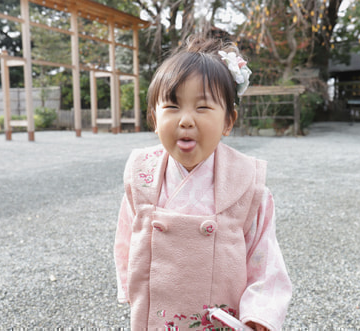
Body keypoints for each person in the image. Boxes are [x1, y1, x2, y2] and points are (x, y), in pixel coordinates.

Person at [114, 36, 291, 331]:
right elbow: (126, 238)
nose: (185, 120)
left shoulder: (247, 185)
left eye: (203, 108)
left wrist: (259, 315)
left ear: (228, 121)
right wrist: (132, 288)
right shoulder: (141, 178)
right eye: (171, 106)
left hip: (216, 319)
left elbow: (264, 258)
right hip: (157, 315)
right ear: (154, 119)